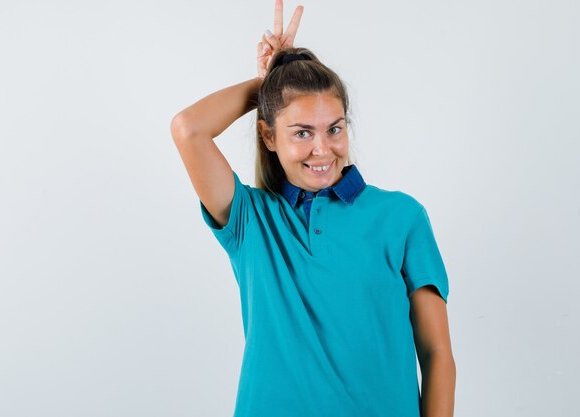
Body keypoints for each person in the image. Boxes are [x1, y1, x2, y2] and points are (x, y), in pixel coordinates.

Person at [170, 1, 456, 416]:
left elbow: (437, 354)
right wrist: (266, 85)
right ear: (269, 136)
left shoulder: (402, 217)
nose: (322, 149)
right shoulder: (251, 220)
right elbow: (188, 129)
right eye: (302, 132)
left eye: (334, 129)